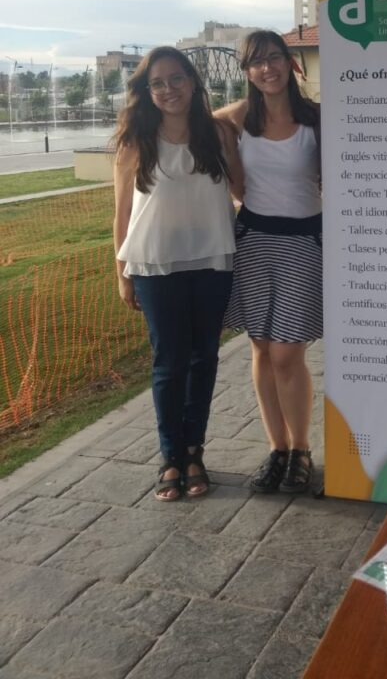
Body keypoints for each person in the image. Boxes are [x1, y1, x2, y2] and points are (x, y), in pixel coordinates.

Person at [113, 47, 242, 501]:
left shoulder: (218, 133)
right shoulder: (136, 139)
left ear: (192, 80)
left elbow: (241, 187)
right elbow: (123, 211)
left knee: (203, 358)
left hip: (211, 260)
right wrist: (122, 272)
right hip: (154, 264)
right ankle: (170, 456)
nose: (169, 89)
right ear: (147, 92)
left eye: (176, 79)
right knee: (169, 362)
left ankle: (193, 451)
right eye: (158, 83)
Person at [217, 30, 321, 495]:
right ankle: (277, 449)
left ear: (291, 64)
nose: (266, 69)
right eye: (255, 63)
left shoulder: (318, 118)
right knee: (260, 347)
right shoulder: (236, 120)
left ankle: (301, 449)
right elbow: (192, 127)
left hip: (304, 241)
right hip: (255, 239)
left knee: (286, 352)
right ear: (246, 72)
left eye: (274, 58)